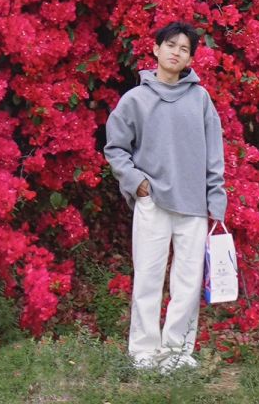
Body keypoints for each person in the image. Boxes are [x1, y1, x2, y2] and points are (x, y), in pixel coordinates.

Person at [103, 21, 227, 373]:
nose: (176, 52)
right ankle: (143, 353)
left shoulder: (200, 99)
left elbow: (214, 154)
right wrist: (136, 182)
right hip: (153, 202)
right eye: (170, 45)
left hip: (194, 206)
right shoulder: (136, 100)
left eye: (184, 48)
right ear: (156, 49)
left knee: (187, 283)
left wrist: (215, 202)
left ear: (189, 58)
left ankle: (176, 352)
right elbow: (115, 148)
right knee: (148, 277)